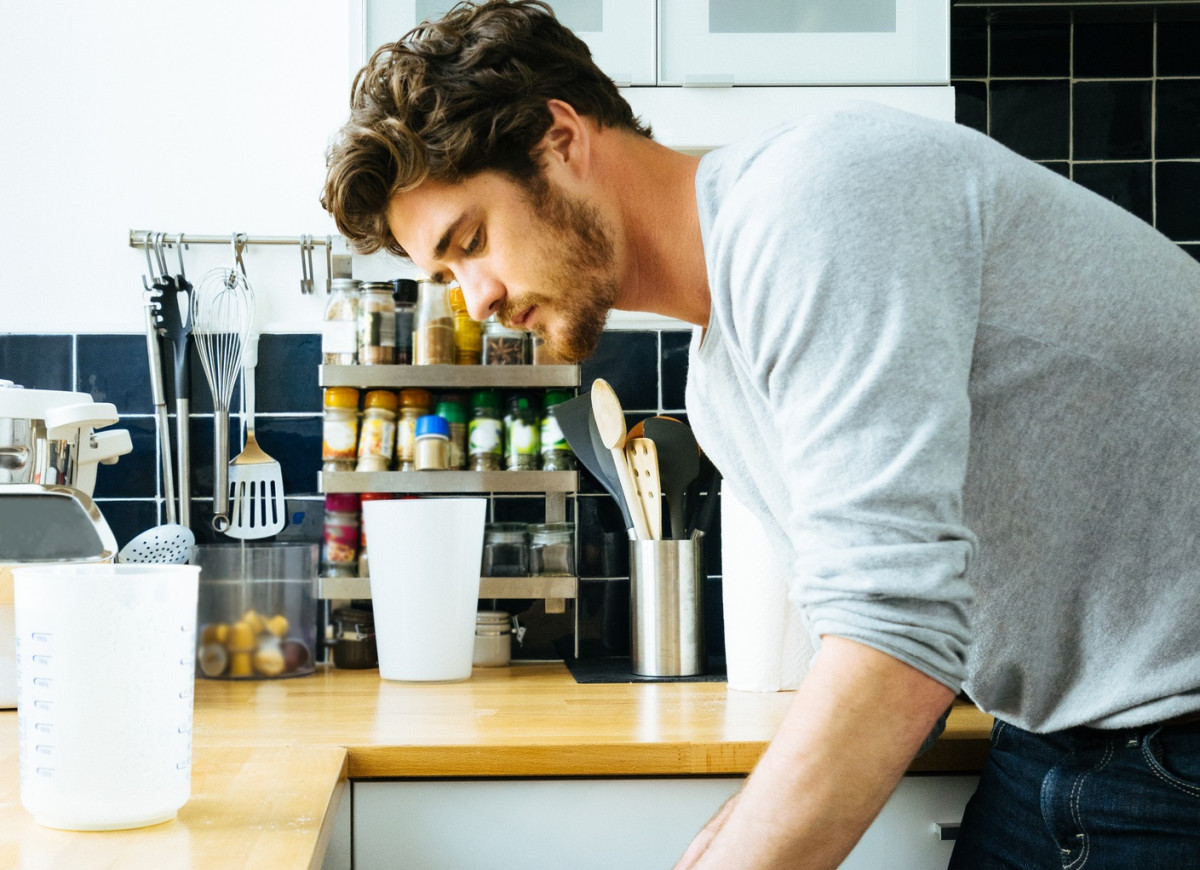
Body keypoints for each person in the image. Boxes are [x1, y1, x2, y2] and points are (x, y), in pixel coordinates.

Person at [321, 2, 1200, 867]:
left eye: (470, 241)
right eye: (445, 272)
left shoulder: (817, 197)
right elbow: (876, 646)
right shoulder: (720, 391)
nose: (475, 301)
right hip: (1054, 743)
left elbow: (897, 637)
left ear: (560, 138)